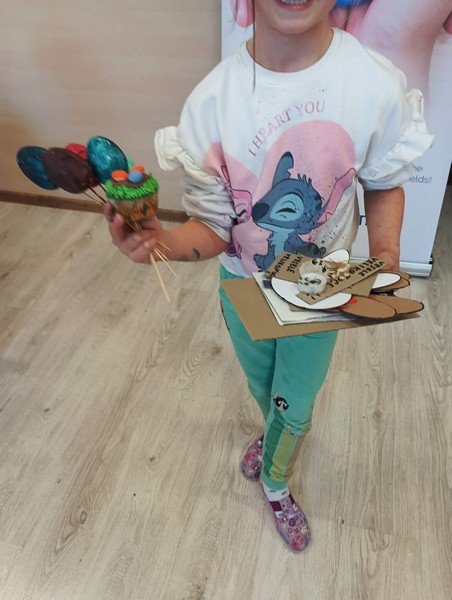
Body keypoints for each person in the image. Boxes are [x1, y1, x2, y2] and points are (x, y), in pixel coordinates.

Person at [105, 0, 433, 553]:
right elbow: (214, 225)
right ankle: (273, 430)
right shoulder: (212, 104)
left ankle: (277, 482)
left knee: (295, 404)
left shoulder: (372, 84)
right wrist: (162, 245)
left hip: (322, 290)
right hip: (243, 288)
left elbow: (382, 182)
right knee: (264, 389)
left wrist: (385, 254)